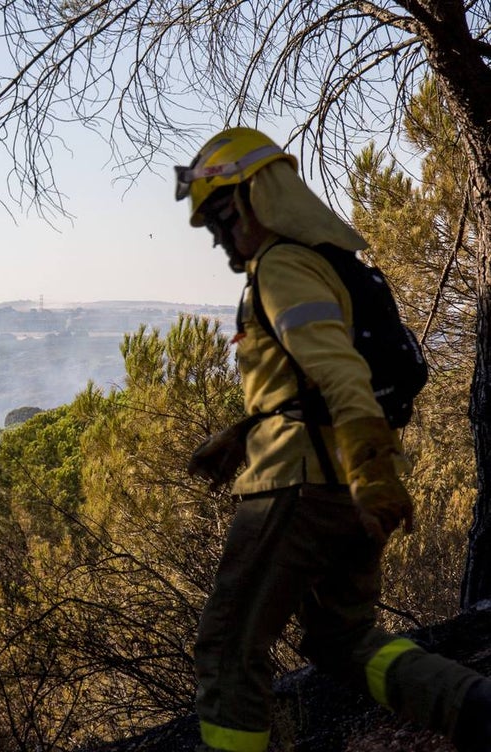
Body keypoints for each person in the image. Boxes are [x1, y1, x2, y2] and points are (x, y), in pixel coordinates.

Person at [176, 127, 491, 751]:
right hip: (339, 487)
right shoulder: (332, 265)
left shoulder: (282, 266)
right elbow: (314, 380)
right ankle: (476, 712)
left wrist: (372, 473)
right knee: (341, 639)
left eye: (218, 217)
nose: (219, 239)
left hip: (297, 491)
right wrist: (245, 432)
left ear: (250, 200)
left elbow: (340, 372)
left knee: (228, 646)